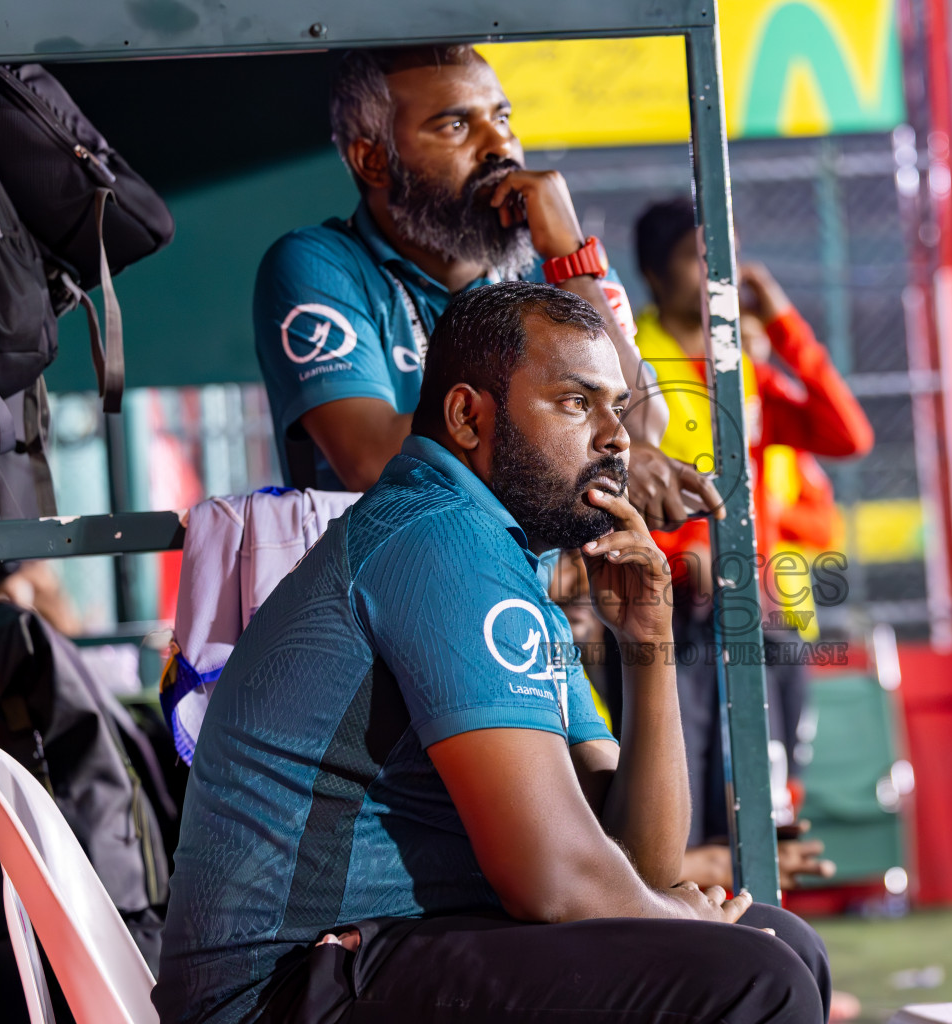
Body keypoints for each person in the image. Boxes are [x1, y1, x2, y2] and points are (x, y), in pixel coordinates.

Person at [156, 282, 830, 1024]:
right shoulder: (439, 539)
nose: (617, 439)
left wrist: (650, 643)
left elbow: (640, 863)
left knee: (781, 944)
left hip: (373, 957)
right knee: (756, 975)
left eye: (617, 408)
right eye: (578, 404)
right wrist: (684, 922)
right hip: (274, 995)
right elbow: (555, 883)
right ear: (468, 417)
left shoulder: (506, 558)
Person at [254, 45, 714, 538]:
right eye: (455, 125)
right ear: (373, 160)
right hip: (392, 585)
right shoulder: (320, 262)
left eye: (503, 117)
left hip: (542, 595)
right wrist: (588, 457)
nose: (500, 145)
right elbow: (372, 461)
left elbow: (642, 421)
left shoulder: (556, 261)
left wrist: (573, 259)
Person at [632, 197, 874, 884]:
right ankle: (707, 956)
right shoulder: (629, 360)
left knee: (766, 793)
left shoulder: (740, 363)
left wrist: (783, 321)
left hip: (765, 610)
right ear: (653, 272)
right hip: (672, 617)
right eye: (695, 256)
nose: (719, 270)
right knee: (685, 792)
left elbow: (847, 435)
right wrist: (683, 555)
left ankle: (772, 950)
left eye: (727, 253)